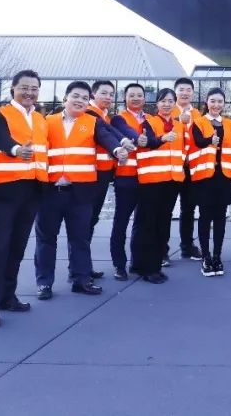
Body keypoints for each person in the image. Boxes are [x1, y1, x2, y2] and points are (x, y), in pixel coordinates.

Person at [34, 81, 128, 300]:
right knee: (46, 239)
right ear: (65, 98)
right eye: (76, 96)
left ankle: (81, 279)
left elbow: (106, 137)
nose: (80, 101)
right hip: (50, 191)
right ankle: (44, 283)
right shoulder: (47, 122)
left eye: (85, 98)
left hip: (81, 192)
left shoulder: (92, 122)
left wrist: (117, 150)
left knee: (80, 238)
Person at [0, 69, 46, 328]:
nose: (29, 92)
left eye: (34, 89)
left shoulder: (40, 118)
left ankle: (8, 296)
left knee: (17, 247)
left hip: (32, 189)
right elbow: (2, 138)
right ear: (13, 89)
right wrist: (17, 150)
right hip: (5, 190)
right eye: (24, 88)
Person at [133, 88, 186, 284]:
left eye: (171, 101)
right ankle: (147, 268)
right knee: (149, 225)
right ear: (157, 104)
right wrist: (162, 139)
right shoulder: (149, 123)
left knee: (163, 224)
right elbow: (147, 143)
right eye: (163, 101)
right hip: (152, 181)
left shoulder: (179, 125)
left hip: (172, 181)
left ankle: (155, 265)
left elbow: (183, 150)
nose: (167, 104)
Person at [86, 80, 136, 281]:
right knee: (86, 221)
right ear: (93, 94)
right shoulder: (91, 114)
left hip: (104, 174)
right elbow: (105, 133)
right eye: (103, 93)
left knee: (91, 220)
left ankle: (83, 266)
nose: (108, 97)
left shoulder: (104, 115)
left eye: (110, 94)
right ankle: (80, 268)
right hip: (93, 174)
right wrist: (121, 144)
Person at [188, 88, 231, 276]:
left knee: (220, 217)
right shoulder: (198, 122)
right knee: (205, 216)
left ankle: (217, 256)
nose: (216, 105)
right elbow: (198, 142)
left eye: (219, 101)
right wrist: (211, 139)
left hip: (224, 176)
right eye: (213, 101)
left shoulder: (230, 124)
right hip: (205, 176)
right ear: (206, 102)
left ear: (224, 103)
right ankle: (206, 257)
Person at [108, 83, 148, 281]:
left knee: (142, 223)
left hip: (147, 178)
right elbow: (125, 131)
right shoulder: (118, 118)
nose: (136, 98)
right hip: (126, 177)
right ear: (125, 98)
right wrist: (138, 138)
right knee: (121, 222)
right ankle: (119, 264)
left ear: (144, 99)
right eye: (132, 95)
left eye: (139, 95)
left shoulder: (149, 119)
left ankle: (137, 262)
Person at [171, 77, 205, 262]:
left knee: (189, 209)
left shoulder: (197, 114)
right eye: (181, 89)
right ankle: (161, 249)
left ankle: (187, 246)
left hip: (191, 168)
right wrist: (177, 120)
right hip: (171, 168)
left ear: (193, 93)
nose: (184, 93)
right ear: (175, 91)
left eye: (188, 90)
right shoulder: (168, 110)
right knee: (165, 209)